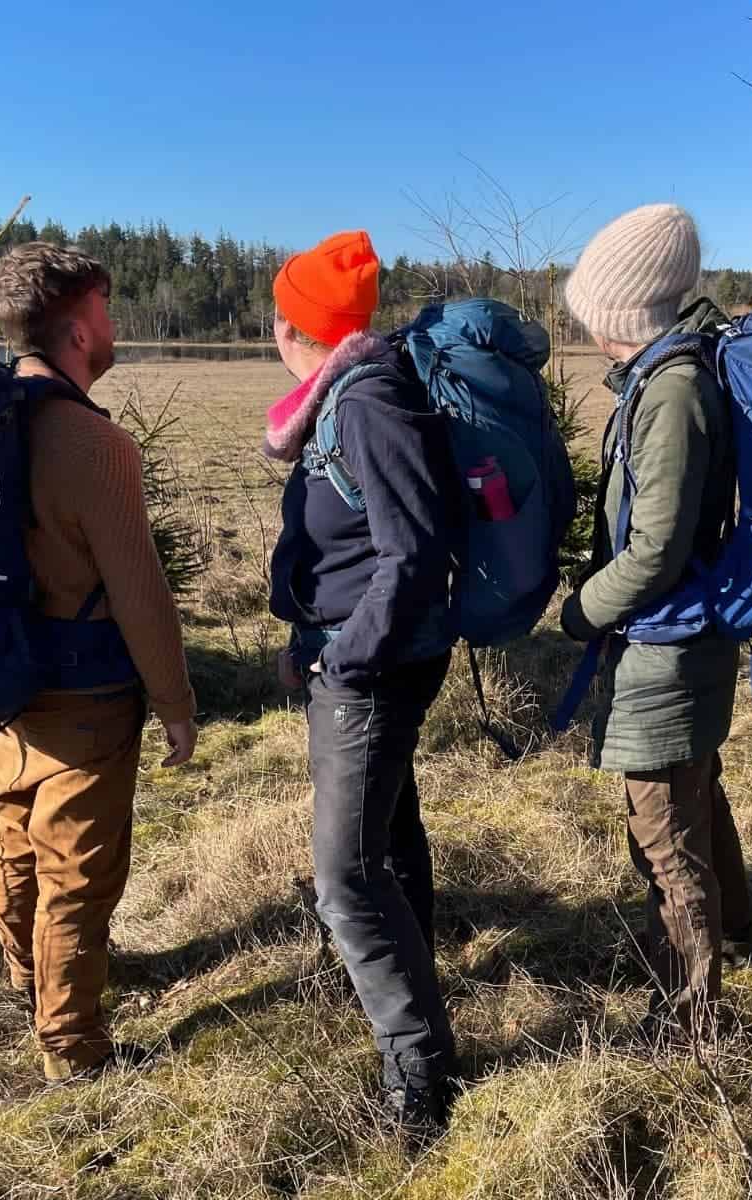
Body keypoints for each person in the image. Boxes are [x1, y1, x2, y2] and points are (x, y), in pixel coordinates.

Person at [263, 230, 468, 1134]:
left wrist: (344, 654)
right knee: (387, 834)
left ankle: (419, 1073)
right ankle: (414, 991)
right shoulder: (342, 398)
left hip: (373, 665)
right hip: (357, 650)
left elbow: (414, 552)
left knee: (345, 874)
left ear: (293, 328)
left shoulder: (367, 402)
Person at [0, 243, 198, 1084]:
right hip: (86, 689)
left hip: (3, 676)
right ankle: (73, 1051)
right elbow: (139, 592)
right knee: (78, 868)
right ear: (78, 329)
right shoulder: (93, 443)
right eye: (108, 311)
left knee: (15, 831)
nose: (114, 328)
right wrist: (176, 700)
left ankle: (25, 978)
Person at [558, 204, 752, 1038]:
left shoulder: (670, 390)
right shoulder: (666, 373)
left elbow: (656, 549)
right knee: (694, 792)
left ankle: (689, 1012)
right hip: (681, 636)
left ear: (623, 307)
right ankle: (740, 930)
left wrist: (579, 612)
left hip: (666, 644)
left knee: (662, 834)